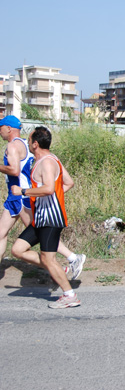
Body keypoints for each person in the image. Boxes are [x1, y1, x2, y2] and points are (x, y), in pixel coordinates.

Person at [0, 116, 86, 281]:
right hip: (21, 196)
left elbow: (15, 170)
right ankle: (65, 263)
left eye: (0, 127)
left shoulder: (12, 146)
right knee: (6, 234)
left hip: (20, 196)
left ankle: (69, 262)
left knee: (37, 234)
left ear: (8, 128)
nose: (0, 131)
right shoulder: (26, 144)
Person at [10, 126, 81, 308]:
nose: (26, 141)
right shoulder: (48, 159)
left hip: (50, 219)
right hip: (40, 218)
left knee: (48, 258)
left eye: (29, 139)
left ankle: (70, 295)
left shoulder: (48, 162)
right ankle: (59, 270)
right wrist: (53, 198)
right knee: (18, 250)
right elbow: (68, 183)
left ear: (35, 143)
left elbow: (49, 188)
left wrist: (23, 191)